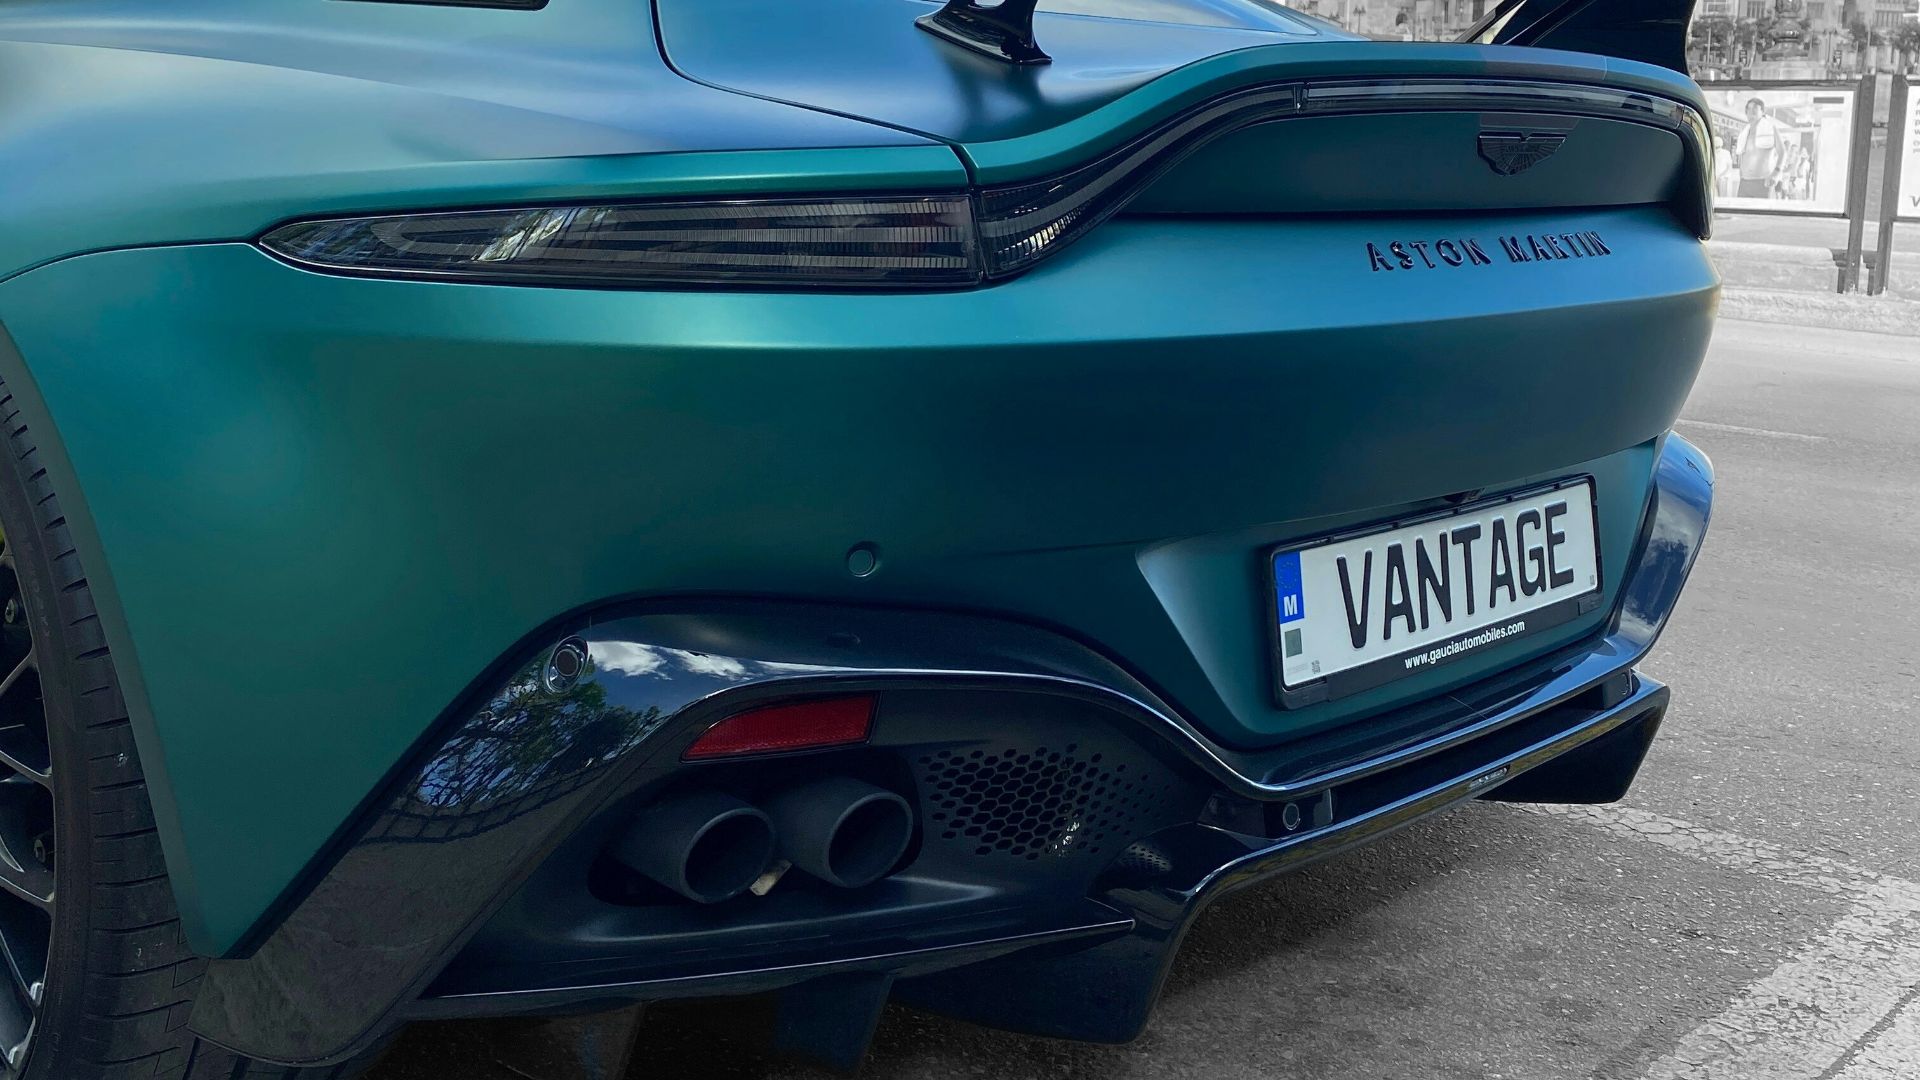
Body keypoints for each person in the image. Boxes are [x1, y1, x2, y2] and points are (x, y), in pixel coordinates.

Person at [1731, 97, 1786, 199]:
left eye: (1755, 108)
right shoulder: (1744, 132)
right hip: (1744, 182)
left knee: (1761, 214)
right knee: (1741, 214)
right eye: (1748, 109)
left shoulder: (1771, 128)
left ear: (1762, 111)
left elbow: (1782, 152)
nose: (1751, 112)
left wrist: (1776, 172)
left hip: (1763, 182)